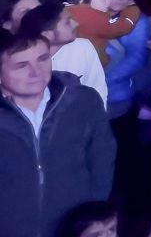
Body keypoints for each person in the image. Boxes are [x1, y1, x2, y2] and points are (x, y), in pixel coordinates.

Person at [0, 26, 115, 237]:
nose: (36, 72)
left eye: (43, 59)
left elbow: (102, 157)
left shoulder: (83, 100)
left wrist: (93, 215)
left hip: (72, 226)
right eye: (21, 65)